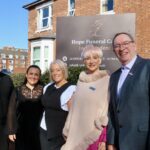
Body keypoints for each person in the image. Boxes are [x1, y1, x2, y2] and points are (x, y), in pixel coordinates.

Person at [61, 45, 110, 150]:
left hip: (94, 135)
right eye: (87, 58)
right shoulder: (81, 81)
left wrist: (103, 138)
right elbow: (74, 109)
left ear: (100, 60)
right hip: (75, 132)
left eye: (95, 57)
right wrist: (67, 127)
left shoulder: (107, 81)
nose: (91, 61)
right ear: (84, 61)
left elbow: (108, 111)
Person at [107, 32, 150, 150]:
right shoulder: (114, 77)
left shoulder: (147, 67)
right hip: (120, 143)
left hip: (142, 142)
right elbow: (112, 111)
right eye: (117, 46)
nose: (121, 48)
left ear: (134, 45)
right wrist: (110, 142)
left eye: (125, 43)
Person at [40, 59, 76, 150]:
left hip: (60, 135)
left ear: (64, 71)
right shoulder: (48, 87)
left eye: (58, 70)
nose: (55, 73)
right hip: (43, 130)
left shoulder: (71, 89)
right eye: (52, 70)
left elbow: (73, 116)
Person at [7, 65, 43, 150]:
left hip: (38, 132)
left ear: (39, 76)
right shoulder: (17, 90)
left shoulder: (44, 90)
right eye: (31, 73)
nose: (33, 76)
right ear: (26, 75)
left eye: (36, 74)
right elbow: (11, 111)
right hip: (21, 131)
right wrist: (11, 131)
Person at [0, 58, 14, 150]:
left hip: (3, 126)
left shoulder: (7, 79)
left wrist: (11, 128)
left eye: (0, 62)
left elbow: (12, 104)